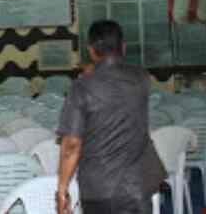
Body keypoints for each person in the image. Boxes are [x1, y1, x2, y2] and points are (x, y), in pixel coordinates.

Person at [55, 19, 165, 214]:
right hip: (139, 184)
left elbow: (71, 144)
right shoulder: (142, 78)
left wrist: (62, 189)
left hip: (101, 188)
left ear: (91, 50)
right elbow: (115, 81)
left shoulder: (82, 87)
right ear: (123, 47)